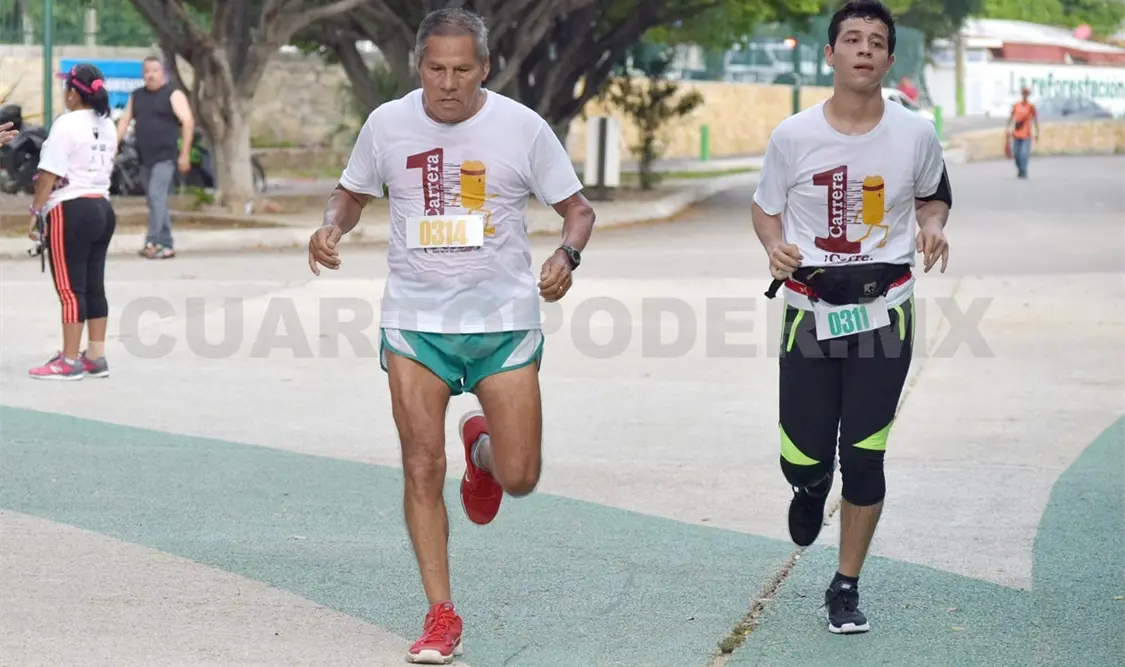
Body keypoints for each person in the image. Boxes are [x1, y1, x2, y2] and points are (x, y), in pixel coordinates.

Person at [306, 7, 595, 664]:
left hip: (503, 323)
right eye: (435, 68)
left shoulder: (521, 128)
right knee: (419, 465)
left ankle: (483, 451)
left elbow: (576, 210)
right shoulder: (386, 124)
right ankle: (441, 614)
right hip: (416, 322)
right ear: (419, 66)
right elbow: (349, 193)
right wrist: (332, 226)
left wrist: (565, 258)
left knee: (520, 476)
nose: (447, 82)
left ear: (484, 68)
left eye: (462, 69)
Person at [751, 0, 951, 635]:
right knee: (804, 455)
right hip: (808, 313)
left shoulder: (915, 133)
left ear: (891, 59)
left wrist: (933, 226)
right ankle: (809, 490)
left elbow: (933, 194)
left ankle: (845, 584)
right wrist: (773, 245)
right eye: (852, 39)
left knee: (864, 456)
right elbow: (765, 208)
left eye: (876, 41)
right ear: (830, 54)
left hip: (884, 312)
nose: (864, 49)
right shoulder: (793, 136)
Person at [26, 63, 119, 380]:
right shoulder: (108, 124)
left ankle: (68, 361)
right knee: (94, 287)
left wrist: (36, 212)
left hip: (71, 210)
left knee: (70, 289)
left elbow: (49, 173)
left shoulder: (66, 124)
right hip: (103, 209)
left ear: (72, 95)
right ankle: (95, 356)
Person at [115, 55, 195, 259]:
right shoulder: (137, 96)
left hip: (165, 156)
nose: (150, 75)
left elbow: (187, 122)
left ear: (163, 73)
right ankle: (166, 243)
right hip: (144, 156)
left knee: (156, 195)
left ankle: (152, 241)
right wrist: (114, 144)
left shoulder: (173, 94)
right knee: (154, 200)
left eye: (155, 70)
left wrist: (185, 153)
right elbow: (125, 120)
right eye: (147, 71)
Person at [1006, 86, 1038, 179]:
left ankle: (1023, 170)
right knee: (1016, 154)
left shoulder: (1031, 107)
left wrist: (1037, 132)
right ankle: (1020, 169)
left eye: (1026, 94)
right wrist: (1008, 128)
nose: (1025, 95)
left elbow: (1035, 120)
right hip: (1016, 134)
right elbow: (1011, 117)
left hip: (1026, 135)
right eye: (1024, 93)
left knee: (1024, 154)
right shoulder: (1016, 105)